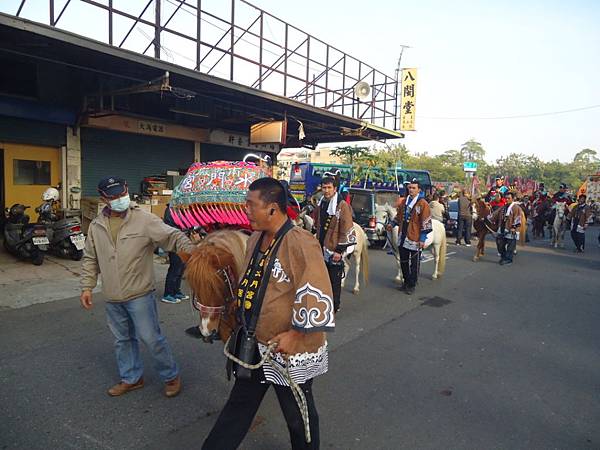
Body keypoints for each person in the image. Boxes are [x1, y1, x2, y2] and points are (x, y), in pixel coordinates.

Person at [202, 177, 334, 450]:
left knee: (298, 416)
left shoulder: (300, 241)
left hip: (287, 349)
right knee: (238, 408)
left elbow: (315, 288)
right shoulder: (253, 240)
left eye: (251, 205)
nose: (246, 210)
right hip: (255, 344)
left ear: (273, 209)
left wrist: (297, 334)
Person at [80, 177, 194, 397]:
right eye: (113, 197)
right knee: (122, 340)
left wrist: (193, 253)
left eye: (122, 194)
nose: (120, 199)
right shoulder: (96, 225)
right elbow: (90, 259)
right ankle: (131, 378)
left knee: (151, 338)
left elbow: (172, 236)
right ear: (104, 199)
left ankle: (171, 376)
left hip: (139, 294)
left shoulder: (144, 219)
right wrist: (87, 286)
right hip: (113, 296)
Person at [311, 176, 356, 313]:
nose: (326, 190)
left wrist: (339, 250)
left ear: (335, 189)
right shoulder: (322, 202)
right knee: (322, 278)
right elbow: (317, 223)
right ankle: (323, 302)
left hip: (334, 247)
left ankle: (334, 306)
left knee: (334, 281)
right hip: (322, 245)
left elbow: (346, 227)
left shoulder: (342, 205)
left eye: (329, 187)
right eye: (324, 188)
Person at [390, 179, 432, 295]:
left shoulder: (423, 203)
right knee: (403, 260)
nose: (411, 190)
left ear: (419, 189)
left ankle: (412, 284)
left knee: (414, 262)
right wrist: (392, 224)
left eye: (413, 188)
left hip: (416, 236)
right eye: (409, 188)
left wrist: (422, 239)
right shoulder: (404, 202)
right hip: (403, 234)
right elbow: (399, 216)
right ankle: (406, 281)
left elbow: (426, 221)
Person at [161, 205, 191, 304]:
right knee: (175, 267)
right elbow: (171, 227)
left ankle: (176, 291)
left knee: (181, 267)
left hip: (183, 241)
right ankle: (168, 294)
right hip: (174, 242)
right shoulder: (170, 210)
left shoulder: (182, 209)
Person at [489, 191, 522, 266]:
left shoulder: (516, 208)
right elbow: (495, 214)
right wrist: (486, 219)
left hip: (511, 229)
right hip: (502, 228)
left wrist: (514, 227)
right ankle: (503, 257)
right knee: (499, 243)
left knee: (510, 246)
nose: (507, 200)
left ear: (513, 199)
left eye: (508, 198)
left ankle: (508, 259)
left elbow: (518, 218)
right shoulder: (503, 207)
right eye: (506, 198)